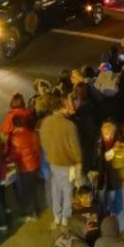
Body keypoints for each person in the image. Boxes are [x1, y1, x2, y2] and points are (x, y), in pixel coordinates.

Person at [40, 93, 83, 230]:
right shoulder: (69, 125)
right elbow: (75, 147)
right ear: (62, 107)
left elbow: (44, 143)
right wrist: (79, 161)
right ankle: (65, 217)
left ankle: (56, 216)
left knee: (55, 189)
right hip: (67, 163)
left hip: (53, 161)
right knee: (67, 189)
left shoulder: (45, 123)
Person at [8, 114, 44, 221]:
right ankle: (36, 210)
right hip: (35, 165)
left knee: (25, 192)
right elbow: (38, 149)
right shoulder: (33, 133)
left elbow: (14, 155)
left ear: (14, 125)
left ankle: (30, 212)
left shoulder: (14, 138)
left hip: (24, 168)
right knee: (34, 189)